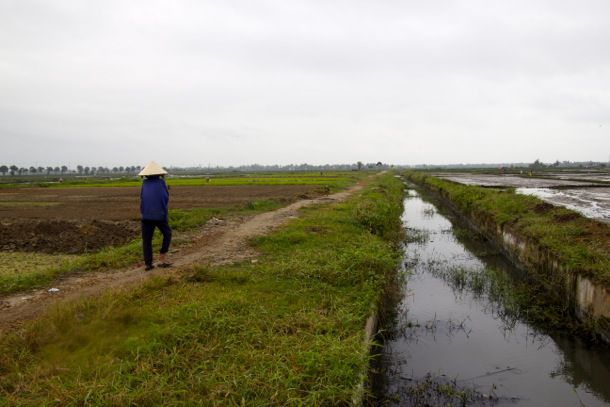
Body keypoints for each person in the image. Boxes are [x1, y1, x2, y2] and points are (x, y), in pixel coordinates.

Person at [138, 161, 172, 271]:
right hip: (159, 215)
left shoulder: (144, 183)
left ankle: (148, 264)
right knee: (167, 234)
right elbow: (165, 198)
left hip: (145, 216)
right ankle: (162, 258)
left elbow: (142, 198)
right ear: (159, 174)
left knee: (147, 240)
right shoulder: (162, 183)